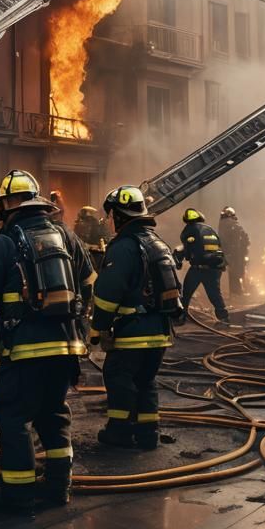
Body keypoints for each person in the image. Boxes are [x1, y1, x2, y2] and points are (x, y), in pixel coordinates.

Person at [0, 170, 92, 513]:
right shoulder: (66, 236)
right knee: (55, 414)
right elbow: (90, 282)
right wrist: (79, 324)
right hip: (66, 347)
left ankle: (18, 495)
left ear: (9, 202)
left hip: (25, 349)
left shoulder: (3, 242)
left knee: (14, 418)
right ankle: (58, 488)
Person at [91, 185, 181, 451]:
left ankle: (119, 431)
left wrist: (99, 328)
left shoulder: (123, 247)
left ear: (119, 216)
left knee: (118, 377)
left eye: (110, 215)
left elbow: (108, 293)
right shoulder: (158, 243)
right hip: (160, 332)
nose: (109, 221)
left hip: (132, 332)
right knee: (146, 381)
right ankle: (147, 433)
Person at [176, 208, 229, 324]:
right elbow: (219, 247)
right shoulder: (210, 229)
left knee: (186, 293)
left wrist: (178, 259)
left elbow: (188, 248)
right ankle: (224, 319)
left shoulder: (189, 230)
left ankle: (181, 318)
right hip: (215, 267)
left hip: (198, 268)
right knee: (215, 294)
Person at [218, 206, 250, 298]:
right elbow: (246, 239)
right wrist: (244, 251)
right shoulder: (235, 224)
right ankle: (238, 293)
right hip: (236, 254)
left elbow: (221, 240)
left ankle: (235, 293)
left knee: (232, 272)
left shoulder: (222, 225)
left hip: (228, 253)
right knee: (237, 272)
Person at [74, 205, 111, 272]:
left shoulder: (99, 226)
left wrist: (91, 246)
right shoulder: (78, 226)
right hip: (86, 255)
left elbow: (105, 241)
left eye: (89, 219)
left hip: (94, 256)